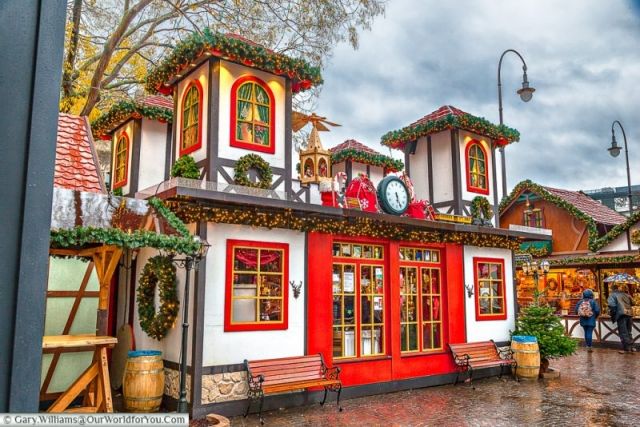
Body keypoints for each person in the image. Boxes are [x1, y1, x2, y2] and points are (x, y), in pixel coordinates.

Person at [608, 283, 635, 354]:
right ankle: (631, 347)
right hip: (629, 314)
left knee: (623, 332)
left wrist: (613, 313)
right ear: (618, 288)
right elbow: (633, 303)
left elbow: (611, 305)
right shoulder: (625, 294)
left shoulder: (612, 295)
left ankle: (626, 349)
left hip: (621, 315)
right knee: (629, 331)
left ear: (612, 289)